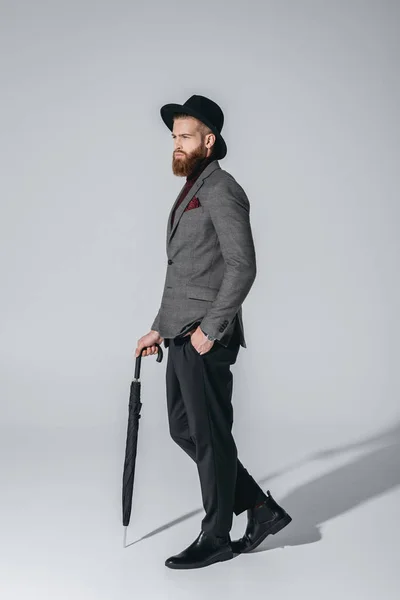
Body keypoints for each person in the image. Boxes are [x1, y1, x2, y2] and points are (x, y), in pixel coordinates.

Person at [135, 94, 291, 569]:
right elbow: (186, 270)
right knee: (188, 430)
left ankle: (216, 535)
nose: (176, 145)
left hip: (205, 338)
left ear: (209, 140)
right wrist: (159, 328)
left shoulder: (222, 189)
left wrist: (211, 328)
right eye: (174, 137)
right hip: (179, 333)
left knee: (209, 435)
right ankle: (261, 510)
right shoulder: (191, 187)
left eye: (184, 136)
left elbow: (242, 267)